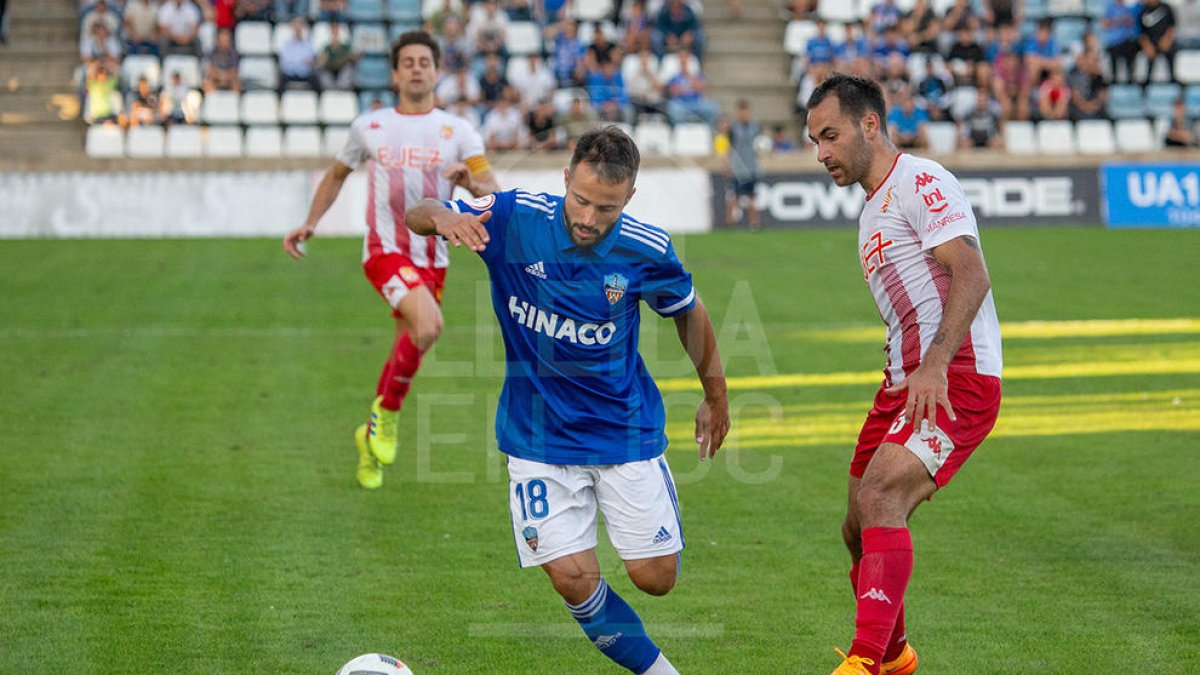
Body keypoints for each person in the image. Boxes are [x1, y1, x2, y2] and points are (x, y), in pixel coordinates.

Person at [404, 126, 730, 675]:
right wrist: (443, 218)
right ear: (564, 181)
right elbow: (421, 209)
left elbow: (688, 312)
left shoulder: (646, 249)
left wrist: (715, 397)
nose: (587, 217)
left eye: (605, 207)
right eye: (579, 200)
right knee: (572, 579)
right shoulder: (512, 218)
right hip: (537, 436)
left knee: (656, 578)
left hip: (622, 431)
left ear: (628, 198)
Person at [805, 73, 1003, 675]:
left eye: (830, 136)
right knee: (855, 527)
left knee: (881, 495)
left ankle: (864, 661)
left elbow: (970, 272)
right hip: (902, 381)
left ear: (870, 124)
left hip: (955, 375)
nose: (822, 154)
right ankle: (895, 657)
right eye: (815, 141)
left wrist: (936, 363)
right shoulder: (871, 211)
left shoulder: (920, 179)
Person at [282, 31, 499, 490]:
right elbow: (338, 174)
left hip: (434, 257)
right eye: (408, 62)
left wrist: (470, 183)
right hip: (385, 251)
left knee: (411, 341)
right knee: (430, 326)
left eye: (425, 61)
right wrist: (311, 221)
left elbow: (492, 190)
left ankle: (370, 440)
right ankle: (388, 416)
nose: (417, 67)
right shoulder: (370, 126)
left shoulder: (460, 131)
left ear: (438, 71)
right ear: (396, 73)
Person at [727, 99, 762, 230]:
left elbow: (760, 145)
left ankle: (754, 224)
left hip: (752, 167)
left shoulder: (756, 127)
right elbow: (729, 149)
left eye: (745, 111)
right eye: (741, 112)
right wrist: (728, 166)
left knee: (752, 197)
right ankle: (730, 224)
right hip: (738, 169)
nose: (743, 114)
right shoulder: (733, 129)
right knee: (734, 197)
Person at [1138, 0, 1177, 84]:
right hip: (1150, 42)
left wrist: (1167, 40)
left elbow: (1171, 27)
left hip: (1165, 40)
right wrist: (1147, 46)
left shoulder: (1166, 8)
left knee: (1171, 52)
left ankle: (1173, 80)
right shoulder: (1143, 11)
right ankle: (1147, 84)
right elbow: (1141, 32)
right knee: (1149, 56)